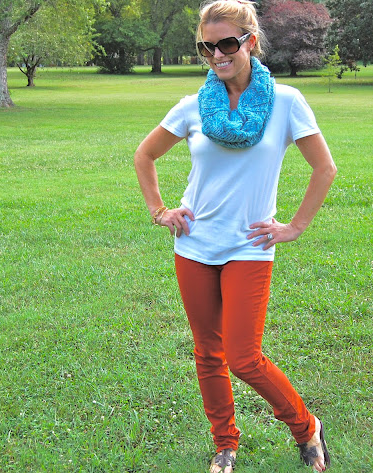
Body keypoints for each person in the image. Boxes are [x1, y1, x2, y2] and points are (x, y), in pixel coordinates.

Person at [134, 1, 337, 471]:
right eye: (206, 47)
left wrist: (295, 226)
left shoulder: (286, 102)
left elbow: (324, 168)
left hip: (250, 246)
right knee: (208, 353)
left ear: (251, 41)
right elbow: (145, 156)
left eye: (227, 43)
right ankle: (225, 443)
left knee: (244, 357)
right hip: (195, 244)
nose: (217, 55)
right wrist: (160, 211)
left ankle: (306, 426)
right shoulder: (193, 106)